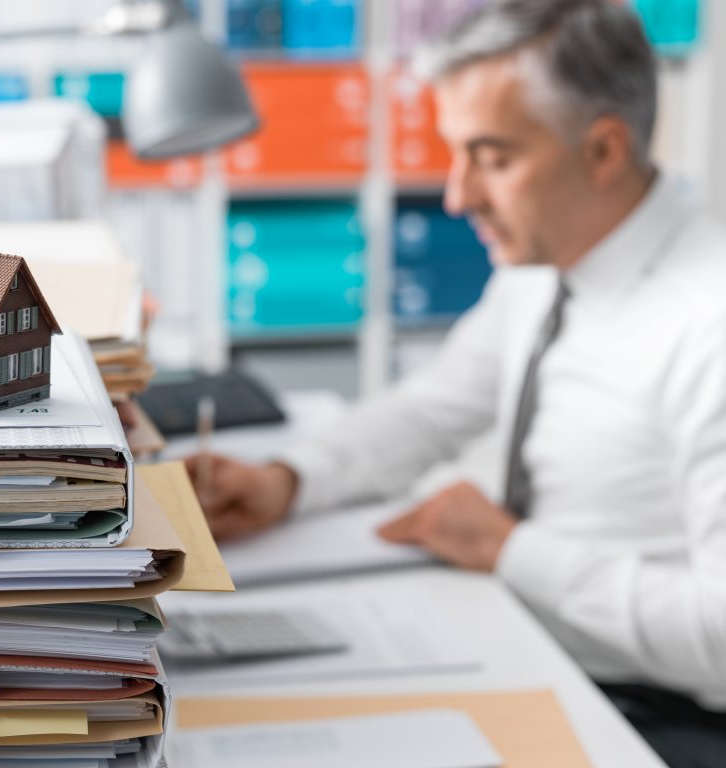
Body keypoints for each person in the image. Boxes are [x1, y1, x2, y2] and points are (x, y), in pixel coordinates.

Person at [186, 1, 726, 765]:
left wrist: (511, 548)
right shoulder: (548, 264)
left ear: (603, 151)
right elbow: (434, 409)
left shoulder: (709, 325)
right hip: (527, 645)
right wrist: (290, 479)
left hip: (656, 721)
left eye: (492, 157)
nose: (457, 196)